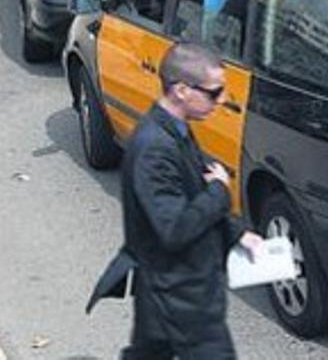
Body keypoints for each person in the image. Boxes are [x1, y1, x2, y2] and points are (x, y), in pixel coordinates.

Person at [97, 42, 263, 358]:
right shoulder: (154, 148)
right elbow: (173, 228)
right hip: (180, 297)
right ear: (182, 90)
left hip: (173, 293)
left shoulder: (174, 129)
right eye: (214, 93)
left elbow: (190, 196)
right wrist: (219, 192)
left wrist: (238, 234)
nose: (223, 100)